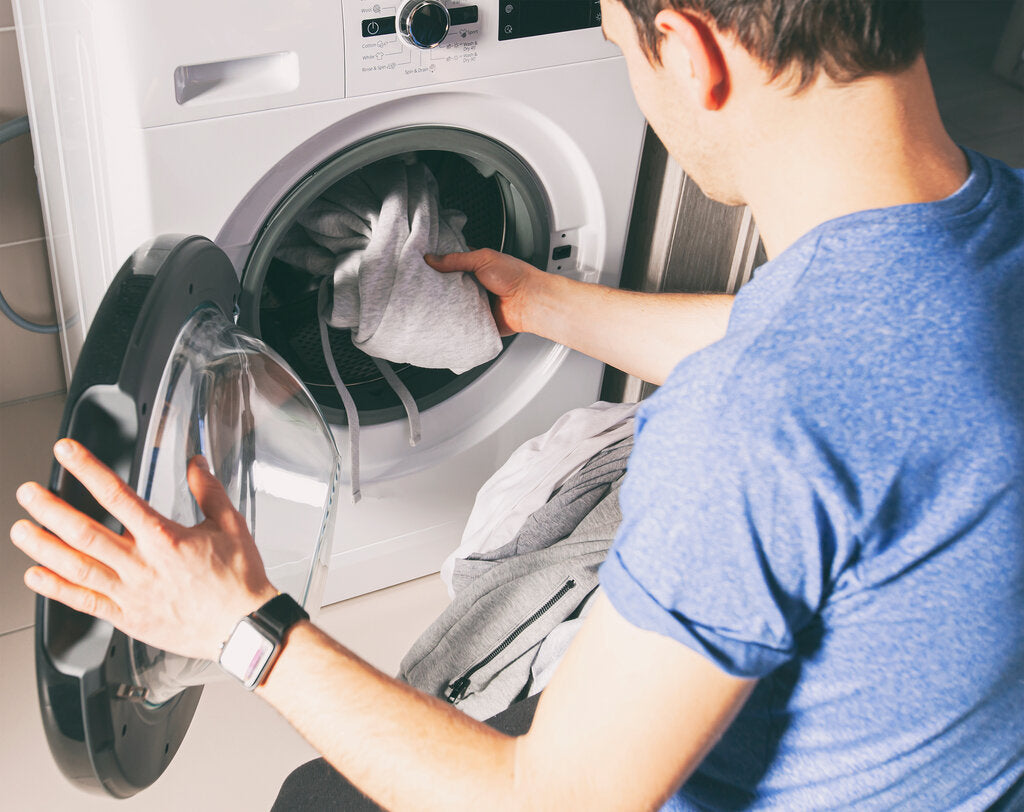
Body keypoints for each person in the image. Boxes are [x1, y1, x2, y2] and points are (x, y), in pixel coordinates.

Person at [10, 0, 1024, 808]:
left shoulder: (755, 426)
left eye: (617, 43)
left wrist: (237, 619)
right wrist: (543, 304)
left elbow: (550, 797)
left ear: (690, 52)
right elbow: (818, 338)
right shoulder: (990, 218)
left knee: (314, 798)